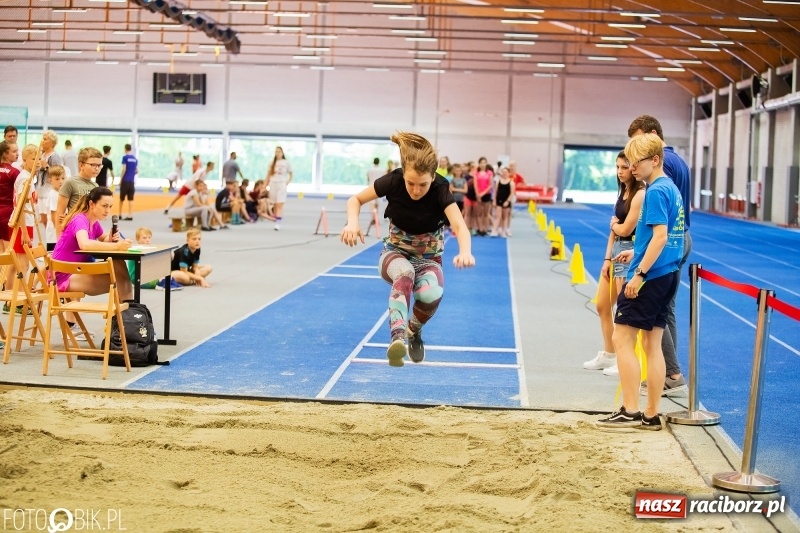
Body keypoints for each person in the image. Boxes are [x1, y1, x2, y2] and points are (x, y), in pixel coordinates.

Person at [340, 132, 475, 367]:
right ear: (403, 175)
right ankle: (397, 340)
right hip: (394, 253)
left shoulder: (441, 190)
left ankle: (413, 331)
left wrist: (465, 251)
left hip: (429, 259)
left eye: (422, 184)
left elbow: (460, 228)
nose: (415, 190)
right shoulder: (393, 180)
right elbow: (355, 200)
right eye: (410, 183)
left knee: (431, 294)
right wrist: (352, 223)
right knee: (405, 273)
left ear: (433, 176)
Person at [596, 134, 684, 431]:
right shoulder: (670, 189)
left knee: (622, 339)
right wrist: (637, 252)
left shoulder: (656, 191)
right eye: (629, 162)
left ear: (655, 160)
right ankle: (650, 413)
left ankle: (630, 410)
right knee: (652, 344)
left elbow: (660, 236)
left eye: (636, 162)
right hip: (668, 272)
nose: (632, 168)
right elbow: (669, 237)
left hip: (652, 277)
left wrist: (639, 273)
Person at [628, 115, 692, 396]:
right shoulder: (676, 162)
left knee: (657, 314)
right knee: (665, 311)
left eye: (638, 149)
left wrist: (641, 270)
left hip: (669, 242)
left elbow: (662, 228)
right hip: (674, 239)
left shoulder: (663, 177)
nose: (633, 166)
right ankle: (669, 371)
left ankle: (671, 371)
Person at [583, 151, 645, 376]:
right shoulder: (624, 191)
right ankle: (610, 354)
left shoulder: (640, 194)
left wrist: (616, 226)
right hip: (616, 251)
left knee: (624, 310)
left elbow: (624, 228)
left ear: (635, 168)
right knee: (602, 305)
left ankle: (624, 359)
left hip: (630, 251)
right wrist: (606, 258)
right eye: (617, 167)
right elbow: (614, 230)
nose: (620, 172)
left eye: (624, 168)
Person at [51, 186, 134, 340]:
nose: (107, 211)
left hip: (78, 272)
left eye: (110, 207)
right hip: (62, 277)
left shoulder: (93, 222)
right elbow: (85, 244)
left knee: (120, 268)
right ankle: (128, 327)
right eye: (104, 206)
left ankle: (126, 325)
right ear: (92, 204)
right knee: (122, 280)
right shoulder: (79, 219)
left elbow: (103, 240)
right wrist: (116, 246)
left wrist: (112, 239)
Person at [55, 147, 101, 238]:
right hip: (73, 232)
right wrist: (59, 240)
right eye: (93, 165)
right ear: (81, 165)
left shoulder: (96, 186)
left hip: (89, 233)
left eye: (99, 165)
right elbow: (59, 214)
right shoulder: (70, 182)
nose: (97, 168)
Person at [37, 130, 62, 227]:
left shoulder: (54, 156)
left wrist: (46, 167)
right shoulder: (42, 155)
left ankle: (53, 239)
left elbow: (58, 173)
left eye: (45, 139)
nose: (42, 141)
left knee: (50, 218)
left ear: (52, 142)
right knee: (43, 219)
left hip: (49, 190)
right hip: (41, 189)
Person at [0, 141, 20, 259]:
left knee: (1, 250)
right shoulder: (14, 172)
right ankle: (6, 278)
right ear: (5, 154)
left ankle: (2, 277)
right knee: (8, 251)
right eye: (14, 151)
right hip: (7, 214)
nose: (17, 154)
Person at [265, 146, 292, 231]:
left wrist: (287, 182)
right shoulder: (272, 163)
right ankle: (276, 218)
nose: (277, 153)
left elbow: (291, 174)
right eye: (276, 152)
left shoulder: (286, 162)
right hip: (273, 184)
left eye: (279, 151)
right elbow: (268, 175)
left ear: (282, 153)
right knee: (275, 204)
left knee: (280, 204)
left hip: (281, 184)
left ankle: (278, 223)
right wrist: (264, 185)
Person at [491, 167, 516, 238]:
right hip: (499, 200)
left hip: (506, 201)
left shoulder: (511, 183)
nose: (504, 174)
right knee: (498, 216)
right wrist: (494, 200)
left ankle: (504, 230)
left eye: (506, 172)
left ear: (509, 173)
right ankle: (494, 230)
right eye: (503, 172)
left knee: (505, 217)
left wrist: (507, 201)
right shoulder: (499, 181)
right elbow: (495, 192)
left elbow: (511, 193)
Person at [46, 165, 66, 251]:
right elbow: (54, 215)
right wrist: (59, 231)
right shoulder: (53, 194)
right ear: (50, 180)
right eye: (57, 179)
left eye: (63, 178)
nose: (61, 181)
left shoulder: (61, 194)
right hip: (54, 234)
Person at [474, 157, 493, 236]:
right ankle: (480, 228)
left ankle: (485, 228)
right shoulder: (476, 172)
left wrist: (483, 193)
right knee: (479, 213)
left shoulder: (489, 173)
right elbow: (475, 184)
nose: (482, 164)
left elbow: (490, 185)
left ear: (486, 163)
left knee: (485, 213)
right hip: (478, 194)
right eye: (481, 162)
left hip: (487, 194)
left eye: (484, 162)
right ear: (479, 164)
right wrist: (478, 194)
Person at [118, 144, 137, 221]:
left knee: (121, 198)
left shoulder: (125, 157)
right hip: (131, 181)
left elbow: (124, 169)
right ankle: (130, 215)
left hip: (125, 180)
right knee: (131, 198)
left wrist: (120, 179)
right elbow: (136, 170)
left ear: (125, 149)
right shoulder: (135, 159)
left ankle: (120, 214)